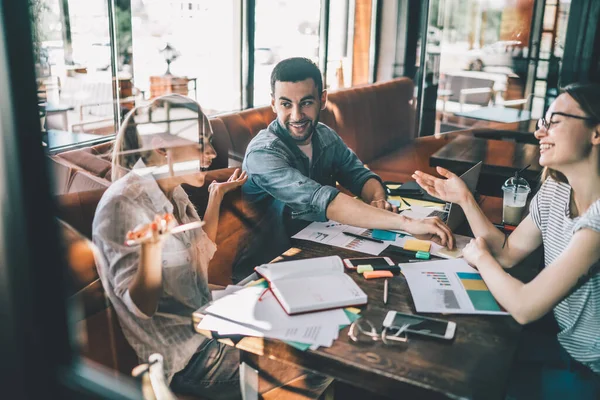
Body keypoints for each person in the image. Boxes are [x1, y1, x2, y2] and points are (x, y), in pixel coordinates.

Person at [413, 83, 600, 398]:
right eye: (542, 123)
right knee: (456, 363)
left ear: (596, 133)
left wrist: (479, 257)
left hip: (590, 367)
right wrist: (465, 200)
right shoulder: (556, 190)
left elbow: (525, 307)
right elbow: (508, 253)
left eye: (554, 122)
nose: (540, 133)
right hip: (561, 343)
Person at [92, 95, 247, 400]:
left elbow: (200, 255)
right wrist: (150, 250)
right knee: (309, 368)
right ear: (162, 148)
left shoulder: (172, 191)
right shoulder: (122, 205)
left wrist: (215, 197)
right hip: (184, 362)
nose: (212, 154)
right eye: (201, 143)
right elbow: (141, 309)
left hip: (207, 329)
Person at [239, 57, 453, 275]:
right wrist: (406, 223)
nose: (296, 115)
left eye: (306, 102)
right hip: (270, 265)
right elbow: (324, 201)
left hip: (323, 250)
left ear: (322, 99)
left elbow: (360, 175)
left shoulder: (324, 135)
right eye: (286, 104)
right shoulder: (263, 153)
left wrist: (378, 201)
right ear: (273, 104)